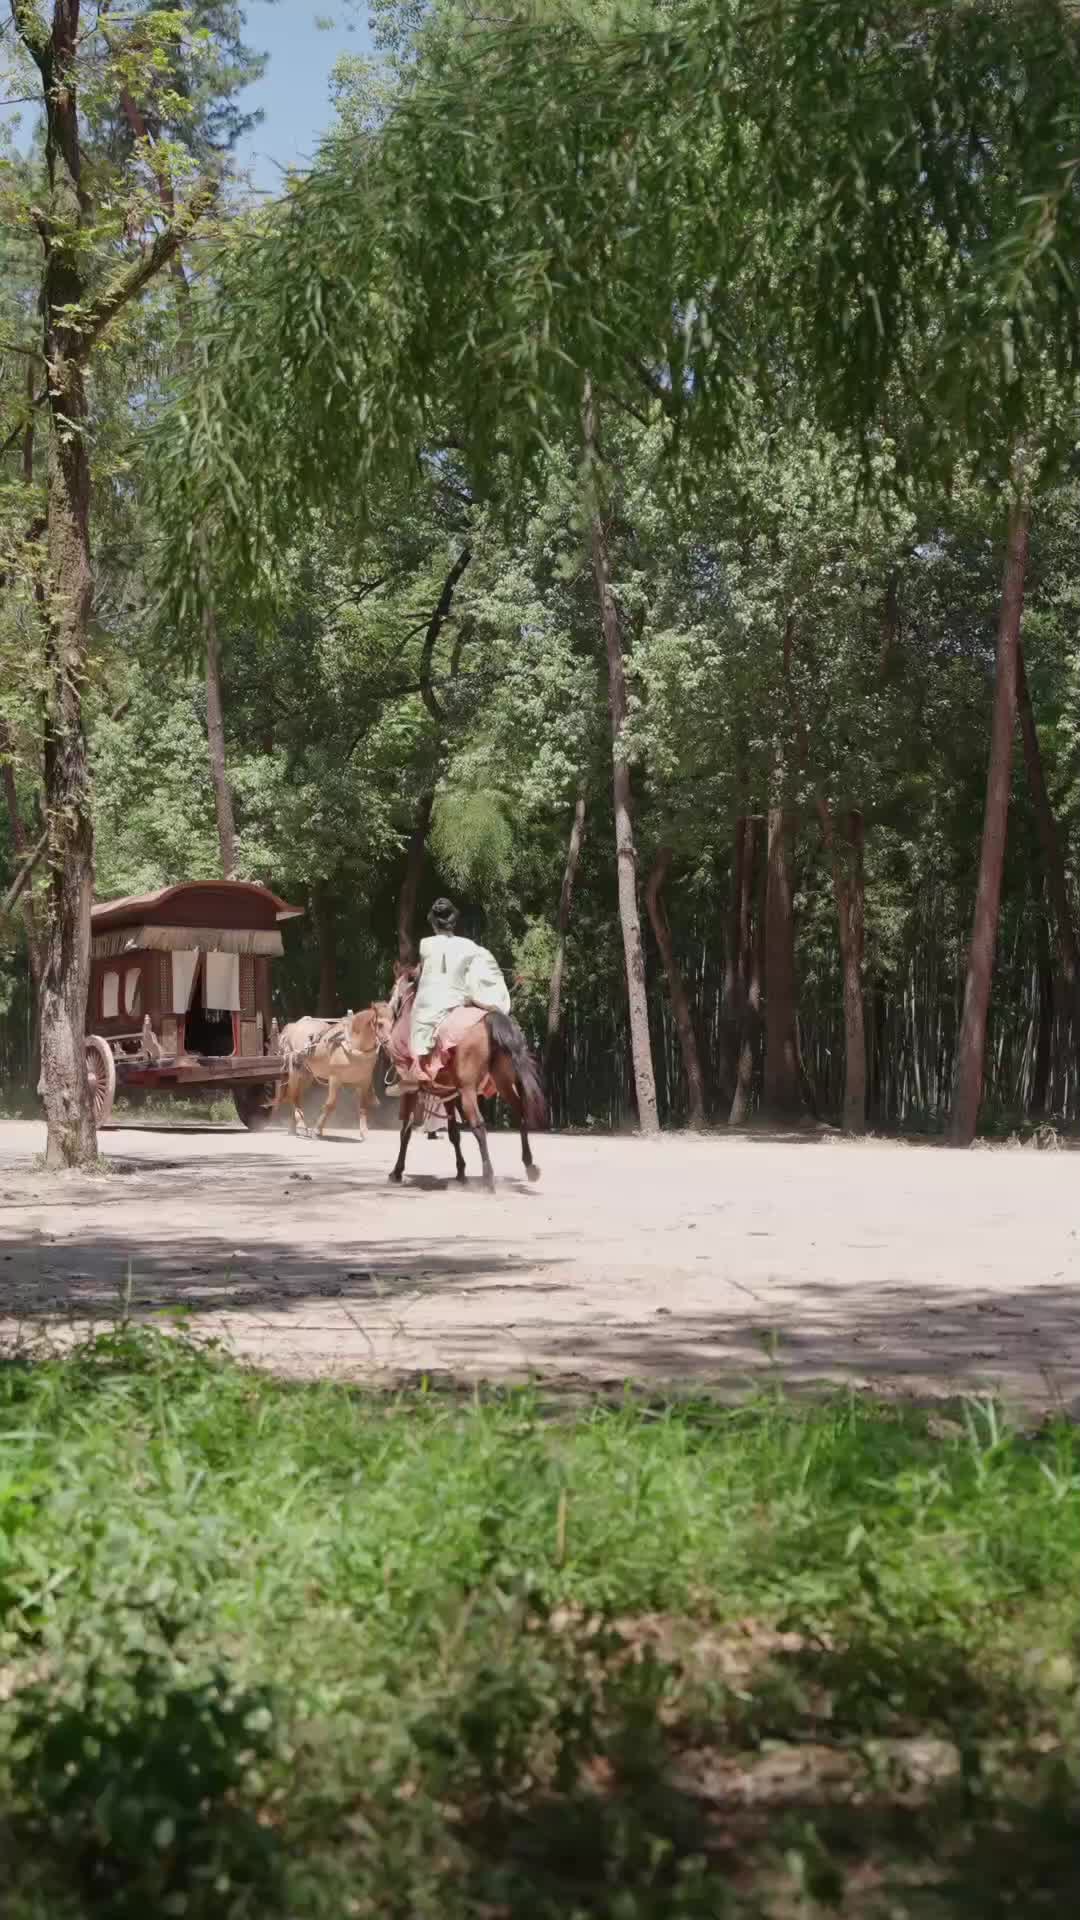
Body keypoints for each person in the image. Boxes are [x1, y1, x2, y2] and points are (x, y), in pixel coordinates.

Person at [396, 898, 511, 1089]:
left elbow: (425, 976)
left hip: (436, 1004)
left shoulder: (426, 944)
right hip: (460, 1000)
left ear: (434, 923)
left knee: (417, 1014)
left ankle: (418, 1071)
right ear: (453, 922)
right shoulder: (468, 946)